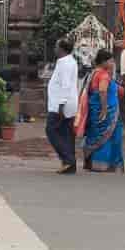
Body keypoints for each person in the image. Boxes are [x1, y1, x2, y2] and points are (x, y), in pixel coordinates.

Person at [83, 49, 124, 172]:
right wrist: (105, 110)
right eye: (110, 61)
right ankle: (108, 164)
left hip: (95, 109)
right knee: (111, 137)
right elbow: (102, 91)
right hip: (107, 112)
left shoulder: (94, 73)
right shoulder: (104, 75)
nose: (112, 63)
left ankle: (92, 163)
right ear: (103, 61)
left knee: (94, 136)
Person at [46, 38, 79, 174]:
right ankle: (69, 164)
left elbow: (65, 85)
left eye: (56, 46)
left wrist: (61, 104)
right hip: (66, 102)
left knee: (51, 130)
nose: (54, 49)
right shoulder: (68, 61)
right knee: (66, 133)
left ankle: (68, 159)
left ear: (62, 49)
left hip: (61, 104)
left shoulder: (65, 63)